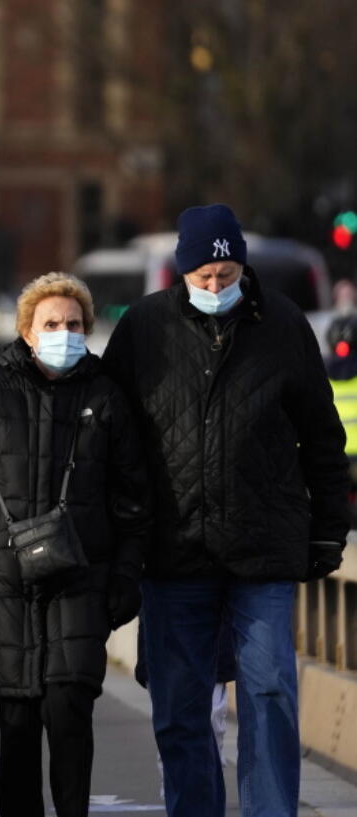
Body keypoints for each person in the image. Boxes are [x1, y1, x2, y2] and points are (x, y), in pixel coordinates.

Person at [102, 204, 348, 817]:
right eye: (204, 276)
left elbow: (322, 434)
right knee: (180, 707)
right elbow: (110, 436)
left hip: (261, 545)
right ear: (182, 273)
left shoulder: (284, 325)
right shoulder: (144, 327)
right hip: (173, 549)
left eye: (227, 273)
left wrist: (327, 532)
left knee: (269, 691)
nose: (217, 287)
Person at [0, 272, 152, 817]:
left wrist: (126, 574)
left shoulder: (105, 395)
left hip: (80, 582)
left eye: (74, 324)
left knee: (70, 712)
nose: (64, 332)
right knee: (18, 725)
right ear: (27, 331)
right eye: (52, 323)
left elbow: (134, 499)